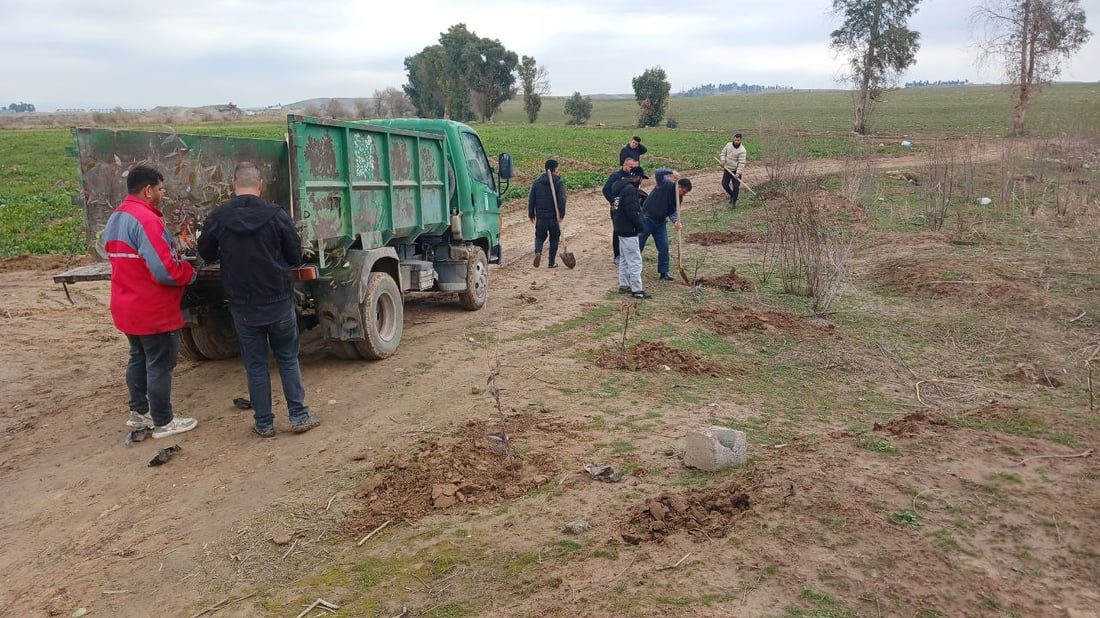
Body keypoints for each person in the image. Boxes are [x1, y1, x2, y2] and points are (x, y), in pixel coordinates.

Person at [197, 162, 319, 438]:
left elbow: (205, 252)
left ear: (233, 184)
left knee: (255, 364)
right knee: (287, 358)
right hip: (278, 299)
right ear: (260, 184)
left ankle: (264, 423)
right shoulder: (276, 215)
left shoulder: (218, 216)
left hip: (243, 305)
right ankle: (299, 416)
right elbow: (294, 256)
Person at [100, 165, 198, 439]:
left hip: (126, 306)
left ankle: (139, 413)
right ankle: (164, 422)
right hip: (152, 309)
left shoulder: (117, 216)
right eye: (161, 189)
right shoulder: (147, 220)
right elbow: (164, 271)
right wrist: (189, 273)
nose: (162, 194)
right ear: (148, 190)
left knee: (138, 357)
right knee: (159, 363)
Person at [640, 176, 692, 281]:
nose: (684, 194)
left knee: (664, 247)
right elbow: (658, 173)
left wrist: (676, 221)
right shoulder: (665, 185)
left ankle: (664, 272)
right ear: (679, 186)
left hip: (660, 223)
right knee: (639, 244)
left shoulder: (679, 199)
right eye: (684, 191)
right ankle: (631, 269)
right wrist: (671, 172)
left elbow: (672, 213)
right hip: (646, 219)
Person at [612, 168, 649, 299]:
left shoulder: (619, 189)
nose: (641, 181)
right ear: (637, 177)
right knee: (635, 260)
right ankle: (637, 290)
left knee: (624, 258)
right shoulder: (630, 191)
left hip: (620, 228)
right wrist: (640, 228)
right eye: (642, 178)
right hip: (629, 230)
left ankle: (623, 285)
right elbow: (633, 212)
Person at [603, 158, 646, 264]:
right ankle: (617, 255)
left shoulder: (633, 178)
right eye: (631, 167)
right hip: (617, 208)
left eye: (634, 167)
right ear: (625, 165)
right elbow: (605, 189)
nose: (632, 169)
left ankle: (627, 253)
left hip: (629, 206)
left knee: (630, 229)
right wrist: (613, 201)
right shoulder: (616, 176)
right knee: (618, 230)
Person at [528, 159, 567, 268]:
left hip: (541, 217)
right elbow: (562, 199)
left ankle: (538, 252)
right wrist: (561, 214)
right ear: (554, 170)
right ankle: (551, 262)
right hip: (554, 217)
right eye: (557, 169)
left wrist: (531, 214)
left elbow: (531, 199)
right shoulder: (558, 182)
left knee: (539, 237)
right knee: (554, 238)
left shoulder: (537, 183)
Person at [719, 132, 748, 208]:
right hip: (727, 169)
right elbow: (723, 153)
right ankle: (732, 195)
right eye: (735, 140)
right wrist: (722, 161)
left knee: (735, 187)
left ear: (741, 140)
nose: (736, 142)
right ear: (733, 139)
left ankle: (734, 203)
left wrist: (738, 173)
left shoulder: (742, 150)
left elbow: (741, 163)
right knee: (724, 184)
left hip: (736, 171)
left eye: (738, 140)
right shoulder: (728, 145)